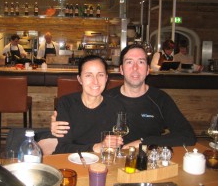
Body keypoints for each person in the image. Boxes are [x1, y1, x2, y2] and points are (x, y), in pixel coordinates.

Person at [51, 44, 196, 148]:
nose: (135, 67)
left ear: (147, 70)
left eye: (141, 62)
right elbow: (84, 131)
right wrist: (55, 128)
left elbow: (187, 136)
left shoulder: (160, 99)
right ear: (121, 69)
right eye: (129, 62)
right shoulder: (106, 98)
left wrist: (142, 142)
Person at [51, 55, 122, 154]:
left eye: (100, 75)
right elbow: (63, 148)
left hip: (101, 162)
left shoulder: (116, 107)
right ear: (79, 79)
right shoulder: (66, 103)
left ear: (106, 78)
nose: (95, 81)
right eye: (88, 75)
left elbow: (120, 145)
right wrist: (96, 147)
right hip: (69, 160)